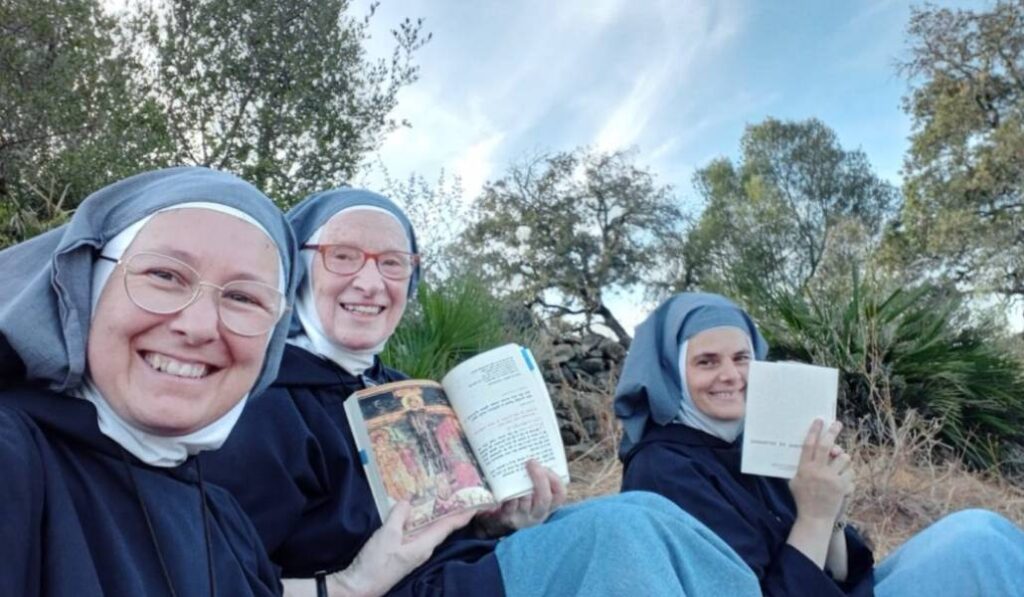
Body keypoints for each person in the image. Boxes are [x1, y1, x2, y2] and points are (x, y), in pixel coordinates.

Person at [205, 188, 763, 597]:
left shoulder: (401, 390)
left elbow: (449, 522)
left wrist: (499, 522)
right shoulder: (265, 402)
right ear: (299, 268)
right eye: (343, 256)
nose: (371, 282)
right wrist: (352, 583)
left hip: (467, 567)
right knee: (618, 533)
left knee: (647, 511)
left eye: (393, 263)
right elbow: (219, 578)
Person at [0, 166, 301, 596]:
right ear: (88, 286)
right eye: (164, 276)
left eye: (242, 298)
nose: (198, 327)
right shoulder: (12, 459)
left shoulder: (224, 519)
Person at [615, 292, 1024, 597]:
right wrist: (812, 516)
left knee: (979, 529)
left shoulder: (755, 441)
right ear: (671, 372)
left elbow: (844, 573)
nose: (732, 375)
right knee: (983, 552)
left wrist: (832, 517)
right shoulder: (663, 470)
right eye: (707, 362)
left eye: (742, 358)